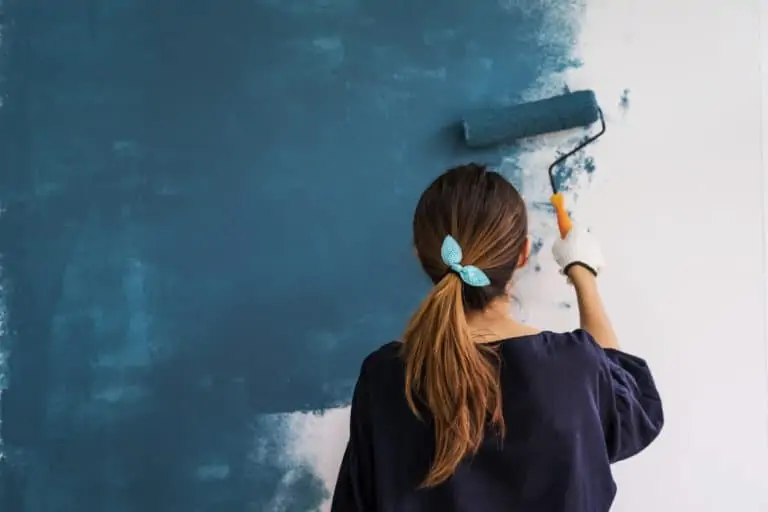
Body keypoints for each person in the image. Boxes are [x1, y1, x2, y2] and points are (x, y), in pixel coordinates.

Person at [331, 163, 663, 512]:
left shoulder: (385, 378)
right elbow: (631, 408)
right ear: (523, 254)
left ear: (421, 256)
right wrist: (583, 274)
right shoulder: (572, 367)